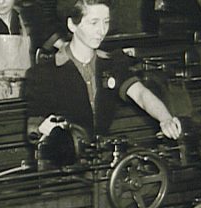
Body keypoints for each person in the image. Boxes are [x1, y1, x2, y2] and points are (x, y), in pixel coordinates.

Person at [23, 0, 182, 142]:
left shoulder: (112, 63)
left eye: (105, 22)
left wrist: (165, 118)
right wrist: (40, 131)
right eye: (94, 23)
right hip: (62, 164)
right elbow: (35, 126)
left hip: (101, 160)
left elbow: (140, 94)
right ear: (72, 25)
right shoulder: (43, 73)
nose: (101, 31)